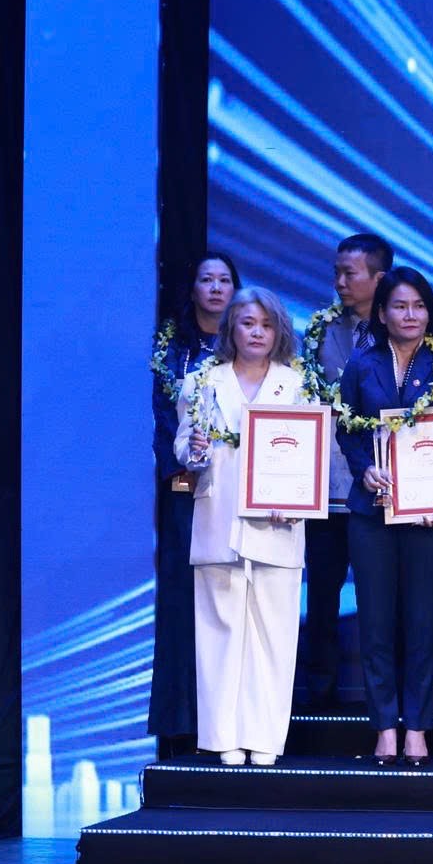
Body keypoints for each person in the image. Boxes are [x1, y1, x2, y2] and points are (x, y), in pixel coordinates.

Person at [174, 287, 310, 767]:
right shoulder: (201, 382)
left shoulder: (298, 384)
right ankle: (222, 737)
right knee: (219, 631)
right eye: (248, 323)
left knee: (274, 633)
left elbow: (313, 453)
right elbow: (182, 447)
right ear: (231, 327)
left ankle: (265, 737)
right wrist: (193, 451)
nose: (257, 333)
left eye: (267, 325)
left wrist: (295, 497)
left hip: (278, 522)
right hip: (219, 517)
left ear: (279, 332)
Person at [335, 268, 433, 766]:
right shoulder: (361, 364)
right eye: (400, 306)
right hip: (373, 512)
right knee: (377, 622)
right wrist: (364, 469)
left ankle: (418, 727)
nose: (411, 315)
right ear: (382, 314)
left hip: (431, 515)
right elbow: (347, 430)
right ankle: (385, 725)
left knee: (424, 620)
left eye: (419, 306)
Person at [296, 232, 390, 709]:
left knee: (382, 595)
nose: (339, 282)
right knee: (323, 591)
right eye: (336, 272)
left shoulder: (401, 326)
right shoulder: (322, 332)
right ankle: (319, 690)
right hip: (330, 486)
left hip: (383, 484)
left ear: (379, 278)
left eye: (349, 273)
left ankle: (386, 697)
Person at [151, 251, 238, 755]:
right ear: (193, 289)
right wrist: (183, 466)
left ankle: (231, 718)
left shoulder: (246, 345)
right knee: (184, 600)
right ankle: (183, 722)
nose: (216, 288)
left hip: (236, 492)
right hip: (186, 489)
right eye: (207, 279)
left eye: (225, 280)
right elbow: (166, 419)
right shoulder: (173, 350)